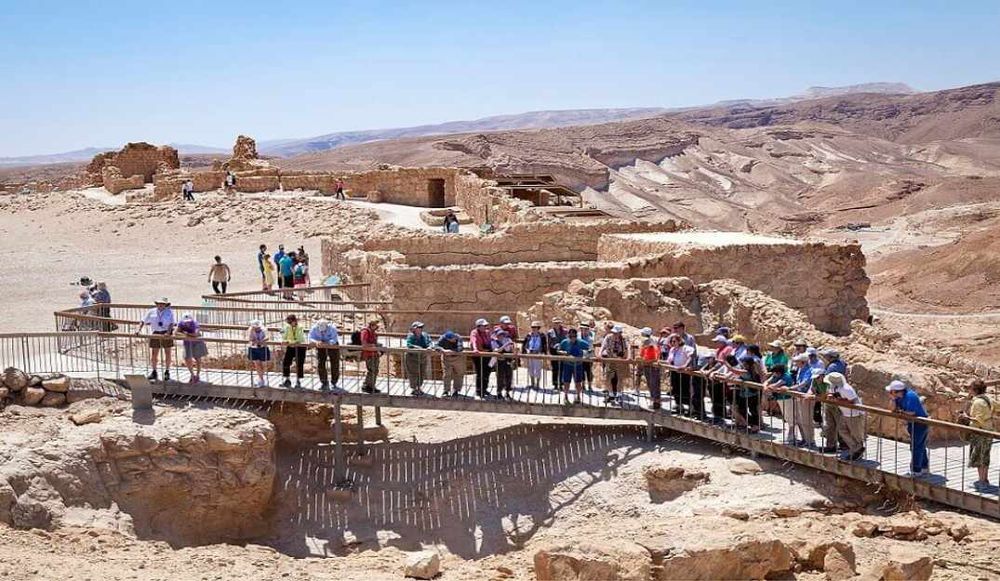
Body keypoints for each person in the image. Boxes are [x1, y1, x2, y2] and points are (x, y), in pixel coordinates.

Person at [886, 380, 930, 477]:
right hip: (912, 423)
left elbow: (912, 412)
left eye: (891, 391)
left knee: (916, 446)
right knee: (919, 445)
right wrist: (892, 399)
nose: (889, 393)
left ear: (898, 391)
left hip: (920, 424)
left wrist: (900, 411)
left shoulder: (910, 396)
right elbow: (892, 409)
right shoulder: (898, 397)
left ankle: (916, 470)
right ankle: (924, 467)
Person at [959, 379, 994, 488]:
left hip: (980, 432)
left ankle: (982, 482)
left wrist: (965, 417)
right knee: (985, 456)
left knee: (979, 457)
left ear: (974, 390)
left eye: (970, 388)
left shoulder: (978, 402)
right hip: (988, 430)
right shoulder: (987, 399)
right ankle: (985, 479)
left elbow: (978, 420)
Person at [824, 372, 866, 461]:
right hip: (845, 413)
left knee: (856, 433)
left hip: (854, 414)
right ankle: (856, 448)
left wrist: (837, 400)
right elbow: (832, 395)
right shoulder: (834, 387)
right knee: (842, 430)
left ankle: (857, 451)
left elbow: (852, 402)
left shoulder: (847, 389)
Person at [135, 297, 176, 382]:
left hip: (166, 333)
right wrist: (138, 330)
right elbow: (143, 321)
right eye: (159, 303)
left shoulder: (169, 312)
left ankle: (167, 371)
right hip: (155, 332)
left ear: (165, 305)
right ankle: (154, 371)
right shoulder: (151, 311)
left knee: (167, 353)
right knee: (154, 354)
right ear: (156, 304)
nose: (160, 305)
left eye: (162, 304)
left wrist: (168, 332)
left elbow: (172, 323)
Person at [555, 328, 590, 405]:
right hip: (567, 364)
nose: (572, 338)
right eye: (570, 336)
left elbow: (590, 349)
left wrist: (584, 353)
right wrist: (564, 353)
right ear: (568, 336)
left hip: (578, 365)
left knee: (578, 382)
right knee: (566, 382)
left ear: (576, 336)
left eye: (574, 336)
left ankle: (578, 396)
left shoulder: (581, 342)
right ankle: (566, 396)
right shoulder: (564, 342)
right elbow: (558, 350)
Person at [763, 364, 796, 443]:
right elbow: (766, 382)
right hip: (780, 399)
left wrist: (769, 387)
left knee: (790, 418)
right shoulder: (775, 376)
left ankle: (791, 436)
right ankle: (790, 436)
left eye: (774, 372)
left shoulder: (786, 377)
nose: (773, 374)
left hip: (788, 399)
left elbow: (775, 385)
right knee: (786, 417)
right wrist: (766, 387)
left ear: (778, 372)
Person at [664, 333, 697, 415]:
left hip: (684, 372)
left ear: (679, 341)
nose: (672, 343)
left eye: (674, 341)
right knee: (675, 389)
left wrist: (685, 365)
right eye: (671, 341)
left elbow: (691, 356)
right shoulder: (672, 350)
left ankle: (691, 409)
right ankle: (679, 407)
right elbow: (669, 360)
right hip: (674, 371)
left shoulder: (685, 348)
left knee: (685, 390)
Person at [789, 354, 817, 447]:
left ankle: (810, 441)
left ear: (803, 362)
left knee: (806, 419)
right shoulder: (800, 369)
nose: (795, 363)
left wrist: (793, 388)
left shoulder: (809, 370)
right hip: (799, 395)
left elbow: (805, 382)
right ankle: (804, 439)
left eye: (797, 361)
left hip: (805, 397)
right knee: (801, 419)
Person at [599, 324, 628, 405]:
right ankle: (611, 394)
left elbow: (627, 348)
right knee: (608, 378)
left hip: (620, 361)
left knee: (620, 378)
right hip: (610, 360)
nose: (614, 334)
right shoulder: (608, 337)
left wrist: (627, 358)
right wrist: (599, 354)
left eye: (616, 333)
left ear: (620, 333)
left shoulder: (623, 339)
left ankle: (619, 395)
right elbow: (603, 346)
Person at [309, 318, 340, 391]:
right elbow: (310, 338)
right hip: (320, 345)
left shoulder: (332, 328)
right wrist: (316, 342)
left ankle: (334, 381)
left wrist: (327, 343)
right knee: (320, 363)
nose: (323, 332)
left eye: (324, 330)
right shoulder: (314, 328)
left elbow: (334, 339)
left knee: (335, 363)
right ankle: (324, 382)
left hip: (332, 345)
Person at [176, 314, 207, 384]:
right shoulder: (181, 324)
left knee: (198, 358)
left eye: (188, 322)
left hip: (197, 342)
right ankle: (192, 375)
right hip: (187, 343)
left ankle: (198, 375)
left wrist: (185, 333)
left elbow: (196, 334)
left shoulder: (195, 323)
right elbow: (176, 333)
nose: (187, 323)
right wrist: (188, 335)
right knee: (187, 359)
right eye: (186, 322)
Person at [405, 321, 432, 396]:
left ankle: (419, 387)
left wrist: (429, 347)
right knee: (413, 373)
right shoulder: (411, 335)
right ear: (414, 329)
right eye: (419, 327)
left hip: (422, 356)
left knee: (421, 372)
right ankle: (414, 388)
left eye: (421, 327)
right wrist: (417, 347)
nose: (420, 329)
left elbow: (429, 342)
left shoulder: (425, 335)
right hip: (412, 357)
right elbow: (409, 344)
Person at [280, 314, 307, 389]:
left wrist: (289, 341)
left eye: (290, 322)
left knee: (299, 363)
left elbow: (299, 338)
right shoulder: (287, 327)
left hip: (300, 347)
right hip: (291, 346)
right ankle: (287, 379)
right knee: (286, 362)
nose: (289, 323)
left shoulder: (300, 327)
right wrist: (285, 341)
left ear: (294, 321)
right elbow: (284, 336)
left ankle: (298, 381)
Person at [638, 327, 662, 410]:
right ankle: (654, 400)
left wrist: (646, 361)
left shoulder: (651, 343)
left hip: (652, 365)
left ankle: (656, 401)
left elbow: (655, 356)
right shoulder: (647, 343)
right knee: (651, 383)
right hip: (647, 365)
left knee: (654, 383)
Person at [435, 330, 465, 396]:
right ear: (447, 339)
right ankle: (446, 390)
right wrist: (443, 350)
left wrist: (451, 351)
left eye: (454, 338)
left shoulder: (458, 337)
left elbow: (460, 348)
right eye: (451, 339)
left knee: (459, 373)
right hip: (446, 358)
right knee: (446, 374)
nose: (454, 340)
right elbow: (436, 346)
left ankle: (456, 390)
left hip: (457, 358)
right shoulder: (442, 338)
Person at [470, 318, 494, 398]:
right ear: (478, 326)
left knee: (487, 373)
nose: (485, 327)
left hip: (487, 355)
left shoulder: (487, 333)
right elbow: (474, 341)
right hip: (478, 356)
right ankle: (479, 390)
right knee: (480, 373)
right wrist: (475, 349)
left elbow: (492, 340)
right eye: (484, 326)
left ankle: (484, 389)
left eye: (486, 325)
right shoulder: (474, 332)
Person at [521, 321, 548, 390]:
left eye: (535, 327)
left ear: (538, 328)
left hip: (538, 353)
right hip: (530, 353)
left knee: (538, 369)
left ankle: (538, 384)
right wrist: (524, 351)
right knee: (530, 369)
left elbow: (544, 345)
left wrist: (544, 353)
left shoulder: (542, 336)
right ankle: (532, 383)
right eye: (532, 327)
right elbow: (525, 343)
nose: (533, 328)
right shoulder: (529, 335)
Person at [492, 328, 516, 400]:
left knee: (509, 376)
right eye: (499, 334)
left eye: (502, 334)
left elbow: (511, 349)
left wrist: (512, 347)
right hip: (499, 361)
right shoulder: (494, 342)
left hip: (508, 361)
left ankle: (507, 392)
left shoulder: (507, 340)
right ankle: (499, 392)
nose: (501, 336)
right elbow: (497, 350)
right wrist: (505, 345)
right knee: (500, 377)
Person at [246, 319, 271, 388]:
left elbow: (267, 337)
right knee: (257, 364)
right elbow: (250, 338)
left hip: (263, 348)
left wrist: (261, 341)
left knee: (264, 364)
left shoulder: (263, 329)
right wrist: (255, 340)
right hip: (254, 348)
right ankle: (261, 379)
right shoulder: (250, 330)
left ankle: (262, 377)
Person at [360, 319, 383, 393]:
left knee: (375, 370)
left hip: (374, 353)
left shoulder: (373, 332)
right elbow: (364, 343)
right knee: (372, 370)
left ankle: (371, 385)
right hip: (369, 354)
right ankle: (367, 385)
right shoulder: (365, 332)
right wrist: (373, 345)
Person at [547, 318, 569, 391]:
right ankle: (555, 384)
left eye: (558, 323)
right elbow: (549, 343)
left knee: (562, 368)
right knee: (555, 368)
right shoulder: (550, 332)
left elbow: (567, 341)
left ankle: (561, 384)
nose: (557, 324)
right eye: (555, 323)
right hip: (554, 351)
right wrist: (555, 346)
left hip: (563, 351)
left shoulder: (565, 331)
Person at [579, 321, 596, 391]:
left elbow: (591, 347)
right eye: (583, 329)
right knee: (581, 371)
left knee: (589, 371)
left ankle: (589, 386)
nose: (584, 330)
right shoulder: (578, 336)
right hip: (580, 356)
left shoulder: (591, 337)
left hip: (588, 356)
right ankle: (583, 385)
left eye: (586, 329)